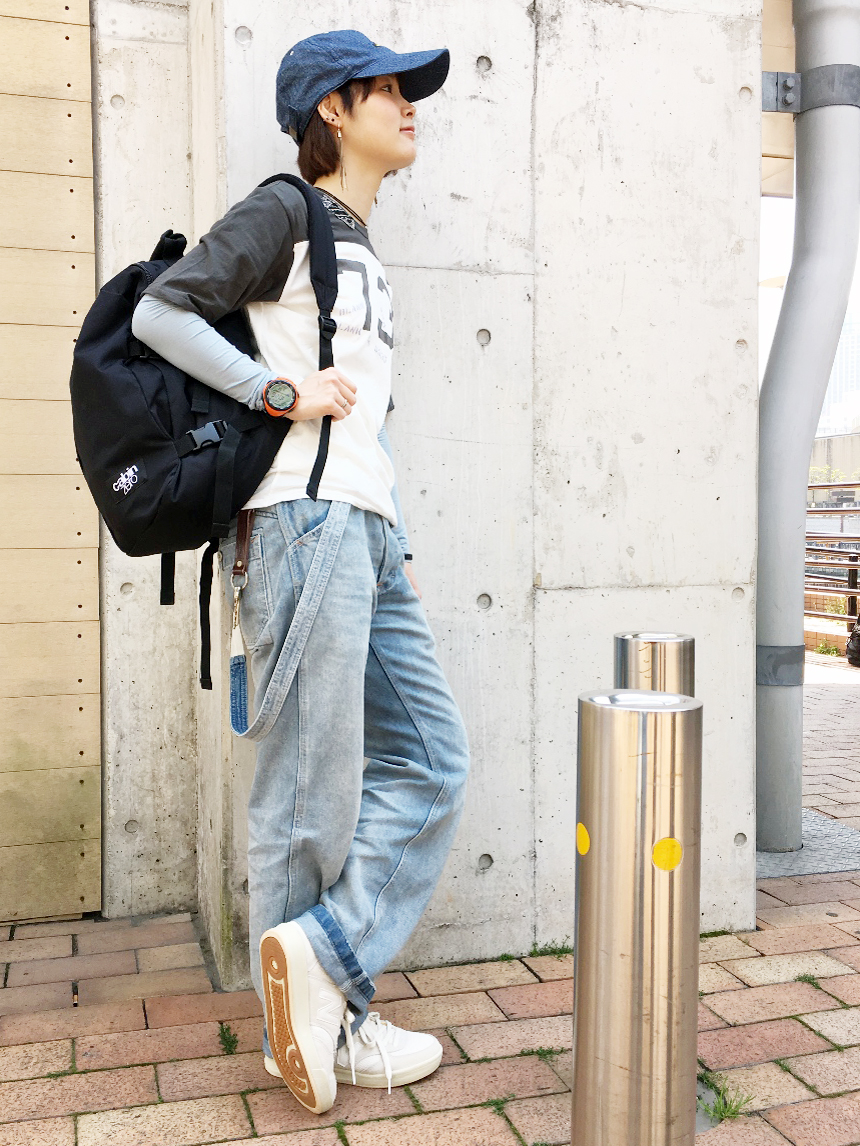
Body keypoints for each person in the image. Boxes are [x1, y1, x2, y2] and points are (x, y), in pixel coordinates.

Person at [131, 30, 470, 1116]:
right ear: (332, 107)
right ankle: (319, 1034)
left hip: (364, 531)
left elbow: (365, 416)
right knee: (307, 794)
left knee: (432, 762)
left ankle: (323, 966)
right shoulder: (285, 210)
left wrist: (393, 533)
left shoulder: (360, 242)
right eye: (389, 90)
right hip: (301, 525)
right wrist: (275, 394)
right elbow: (158, 312)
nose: (409, 106)